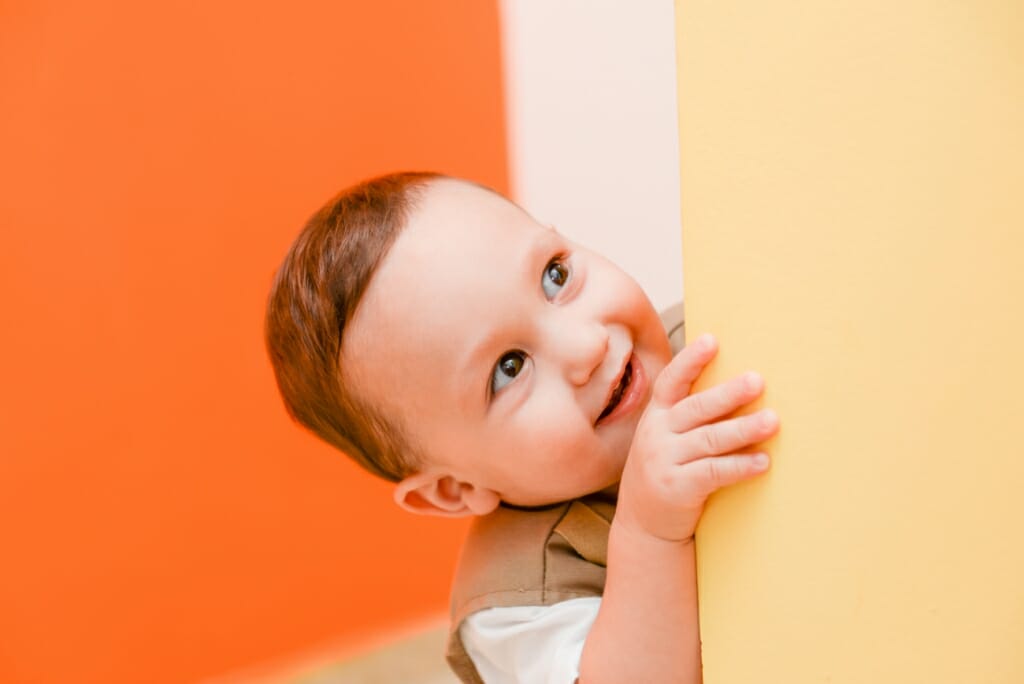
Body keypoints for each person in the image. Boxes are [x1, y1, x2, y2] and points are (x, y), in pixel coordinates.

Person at [264, 172, 779, 683]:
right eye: (509, 368)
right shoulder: (518, 602)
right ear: (455, 489)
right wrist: (649, 532)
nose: (586, 346)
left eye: (554, 276)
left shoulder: (706, 338)